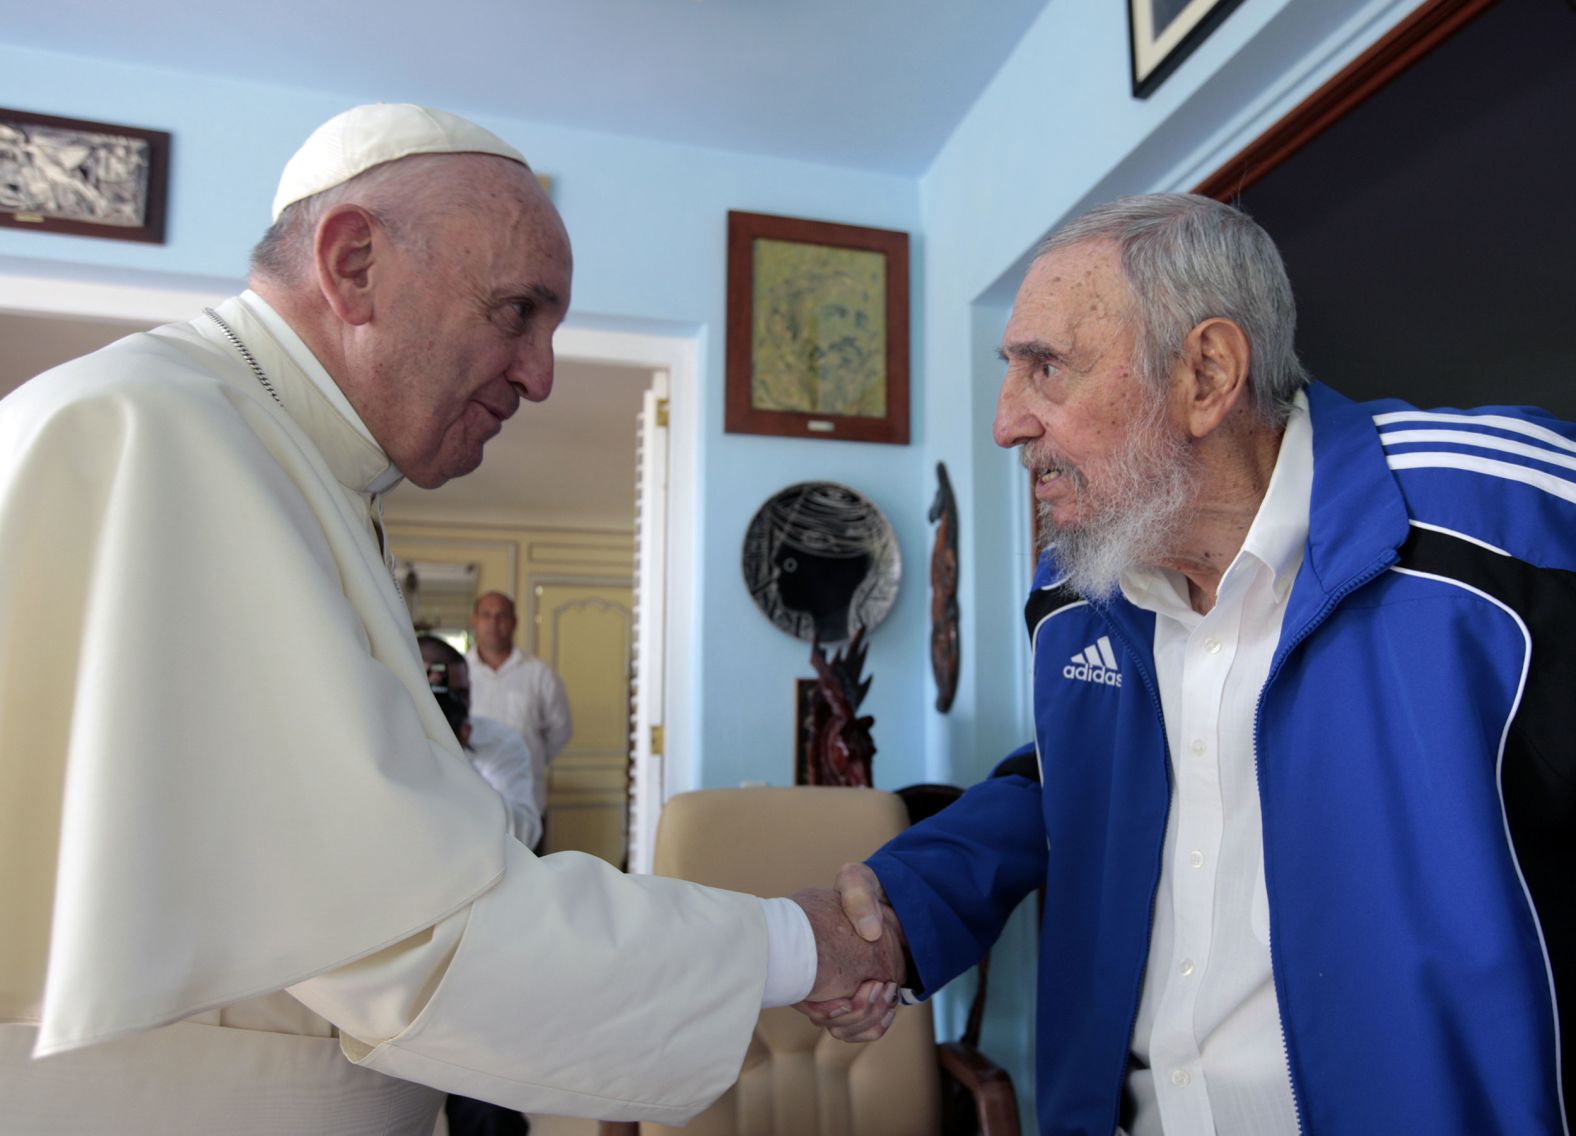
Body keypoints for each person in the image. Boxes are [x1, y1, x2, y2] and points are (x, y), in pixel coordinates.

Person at [0, 102, 899, 1133]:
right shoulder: (157, 437)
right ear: (353, 264)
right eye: (517, 310)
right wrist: (796, 942)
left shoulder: (277, 457)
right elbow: (409, 933)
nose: (542, 375)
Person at [802, 193, 1575, 1135]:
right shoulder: (1074, 588)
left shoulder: (1516, 524)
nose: (1007, 423)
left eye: (1046, 368)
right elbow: (1078, 782)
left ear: (1206, 374)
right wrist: (906, 902)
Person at [420, 634, 542, 851]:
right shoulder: (382, 743)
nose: (451, 704)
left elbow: (523, 835)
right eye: (435, 694)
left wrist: (457, 760)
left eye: (461, 693)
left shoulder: (501, 741)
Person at [466, 591, 571, 831]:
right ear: (474, 621)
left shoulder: (539, 674)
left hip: (525, 805)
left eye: (502, 616)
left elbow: (560, 730)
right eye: (486, 615)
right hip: (469, 807)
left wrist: (529, 758)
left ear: (514, 622)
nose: (494, 623)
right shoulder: (460, 672)